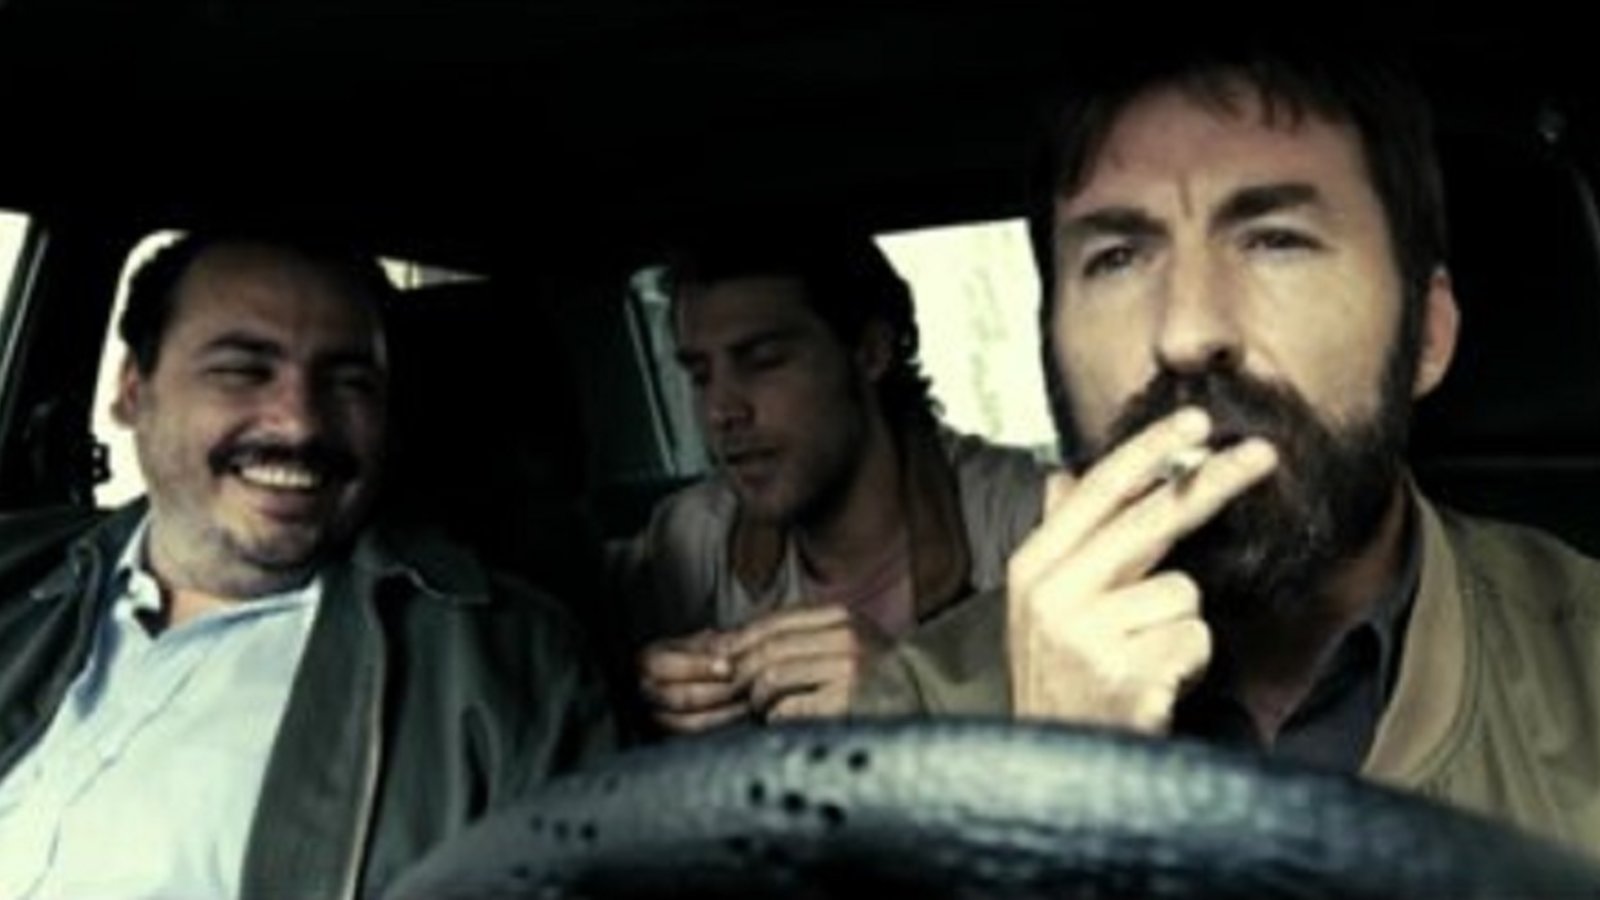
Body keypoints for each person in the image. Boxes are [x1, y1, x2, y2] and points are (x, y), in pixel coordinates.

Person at [854, 48, 1600, 854]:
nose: (1186, 334)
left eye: (1276, 241)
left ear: (1425, 334)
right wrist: (1060, 807)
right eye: (1116, 259)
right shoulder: (913, 719)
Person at [0, 235, 614, 896]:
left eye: (348, 382)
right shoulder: (16, 566)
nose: (300, 424)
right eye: (244, 371)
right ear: (132, 391)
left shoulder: (506, 666)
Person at [611, 232, 1049, 734]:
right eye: (701, 375)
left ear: (870, 352)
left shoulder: (1022, 522)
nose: (721, 411)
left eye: (762, 361)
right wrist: (644, 690)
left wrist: (914, 691)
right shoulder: (686, 544)